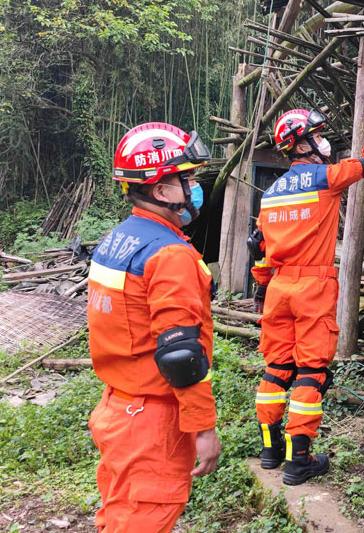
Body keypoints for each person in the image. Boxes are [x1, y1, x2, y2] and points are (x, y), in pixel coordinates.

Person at [248, 108, 364, 485]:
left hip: (278, 289)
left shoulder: (270, 194)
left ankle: (270, 450)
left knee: (276, 368)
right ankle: (299, 460)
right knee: (311, 372)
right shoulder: (326, 178)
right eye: (317, 135)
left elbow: (260, 248)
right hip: (312, 288)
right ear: (301, 145)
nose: (324, 141)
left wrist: (262, 288)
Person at [87, 122, 221, 533]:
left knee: (121, 514)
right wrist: (204, 427)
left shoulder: (117, 240)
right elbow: (181, 355)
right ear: (162, 191)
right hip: (152, 421)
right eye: (188, 179)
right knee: (144, 518)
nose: (195, 188)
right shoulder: (169, 254)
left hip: (118, 408)